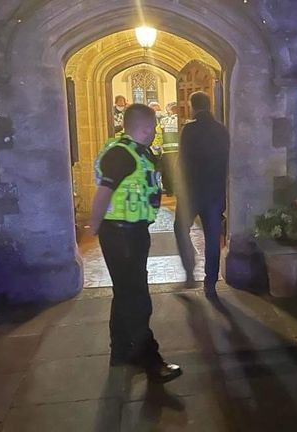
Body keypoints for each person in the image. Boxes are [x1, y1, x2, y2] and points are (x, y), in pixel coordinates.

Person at [89, 103, 183, 383]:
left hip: (130, 231)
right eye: (152, 127)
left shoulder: (135, 152)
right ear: (142, 127)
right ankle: (150, 359)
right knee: (137, 298)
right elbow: (104, 192)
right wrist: (94, 225)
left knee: (125, 293)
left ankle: (121, 351)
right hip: (122, 233)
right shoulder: (122, 154)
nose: (154, 132)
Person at [174, 91, 229, 298]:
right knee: (213, 237)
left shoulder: (189, 130)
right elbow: (226, 162)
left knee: (180, 229)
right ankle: (210, 282)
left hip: (191, 192)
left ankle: (190, 270)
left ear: (193, 106)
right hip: (214, 192)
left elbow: (183, 161)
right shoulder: (222, 130)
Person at [160, 102, 180, 195]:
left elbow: (160, 133)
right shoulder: (180, 120)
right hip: (178, 149)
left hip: (166, 149)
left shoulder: (164, 120)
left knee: (167, 172)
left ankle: (169, 191)